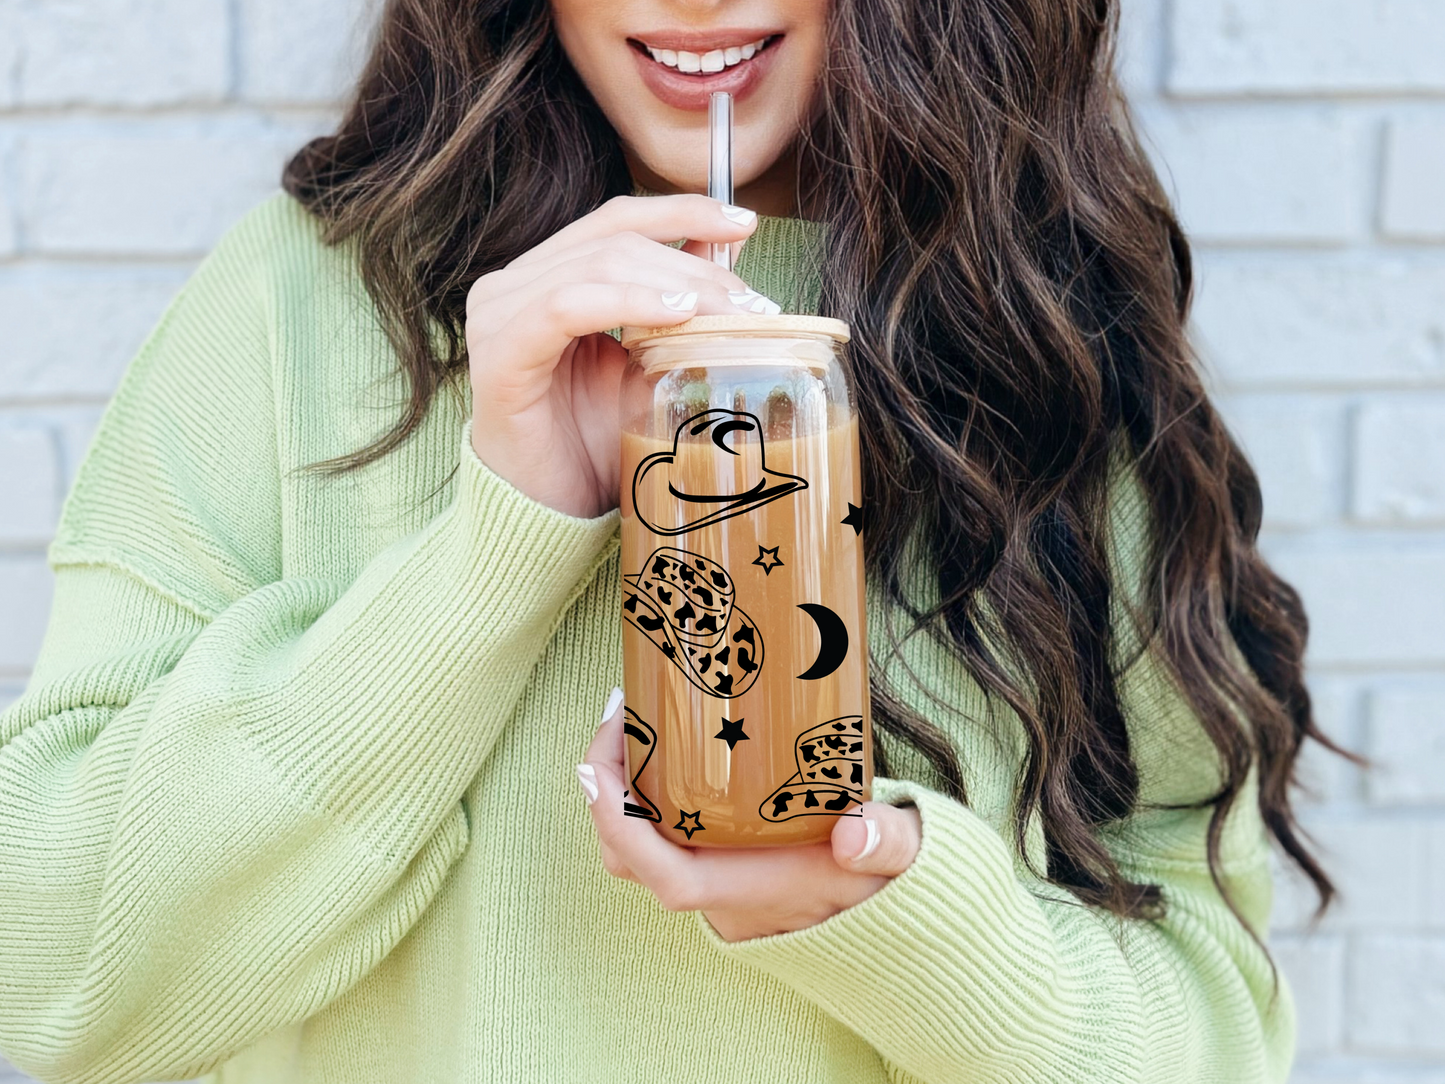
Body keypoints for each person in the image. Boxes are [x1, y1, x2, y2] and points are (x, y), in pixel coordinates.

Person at [0, 0, 1345, 1081]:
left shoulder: (1047, 358)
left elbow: (1212, 1033)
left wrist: (891, 919)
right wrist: (504, 537)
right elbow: (48, 976)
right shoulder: (303, 298)